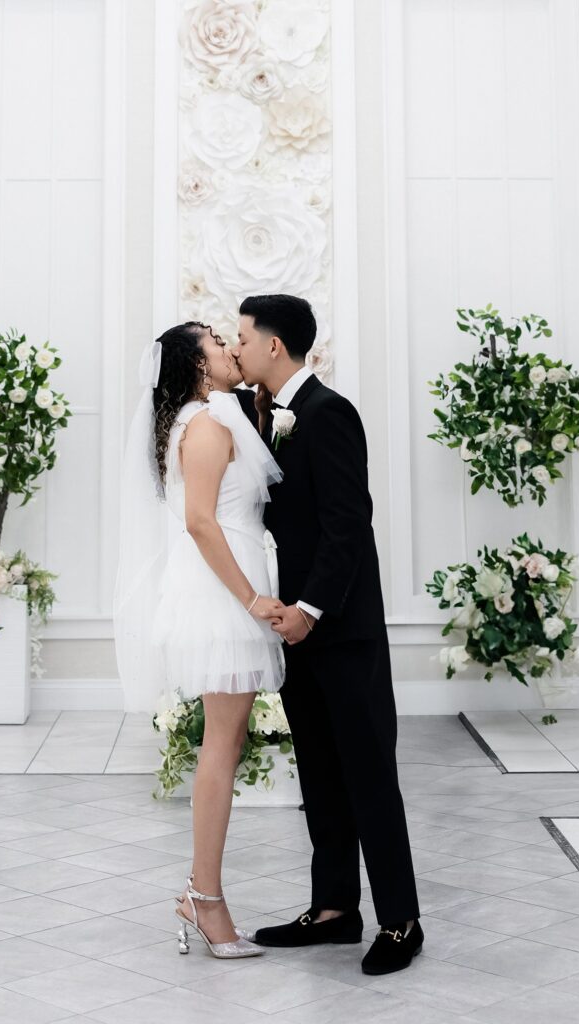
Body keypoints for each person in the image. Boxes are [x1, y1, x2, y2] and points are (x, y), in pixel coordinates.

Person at [230, 294, 423, 976]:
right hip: (296, 628)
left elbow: (348, 524)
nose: (236, 347)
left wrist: (309, 608)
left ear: (274, 347)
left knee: (368, 774)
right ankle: (335, 909)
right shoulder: (267, 415)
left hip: (340, 629)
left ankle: (401, 921)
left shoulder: (328, 412)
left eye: (243, 336)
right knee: (319, 773)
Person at [113, 321, 285, 960]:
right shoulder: (207, 426)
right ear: (196, 365)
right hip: (224, 595)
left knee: (227, 742)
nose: (229, 347)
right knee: (221, 745)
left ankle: (202, 893)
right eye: (217, 341)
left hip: (224, 588)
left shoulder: (204, 418)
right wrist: (251, 599)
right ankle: (204, 898)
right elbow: (200, 522)